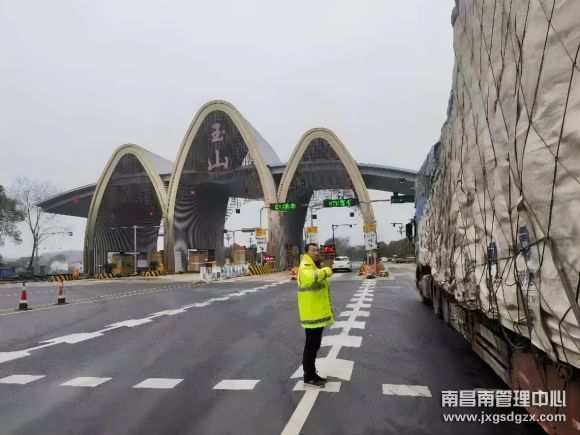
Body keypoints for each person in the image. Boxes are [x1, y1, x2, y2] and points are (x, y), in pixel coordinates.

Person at [297, 243, 334, 387]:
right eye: (312, 250)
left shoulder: (313, 265)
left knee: (314, 345)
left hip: (315, 313)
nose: (316, 252)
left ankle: (311, 373)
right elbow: (310, 277)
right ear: (306, 253)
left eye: (317, 250)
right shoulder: (305, 265)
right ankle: (309, 375)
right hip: (311, 313)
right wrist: (326, 270)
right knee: (311, 345)